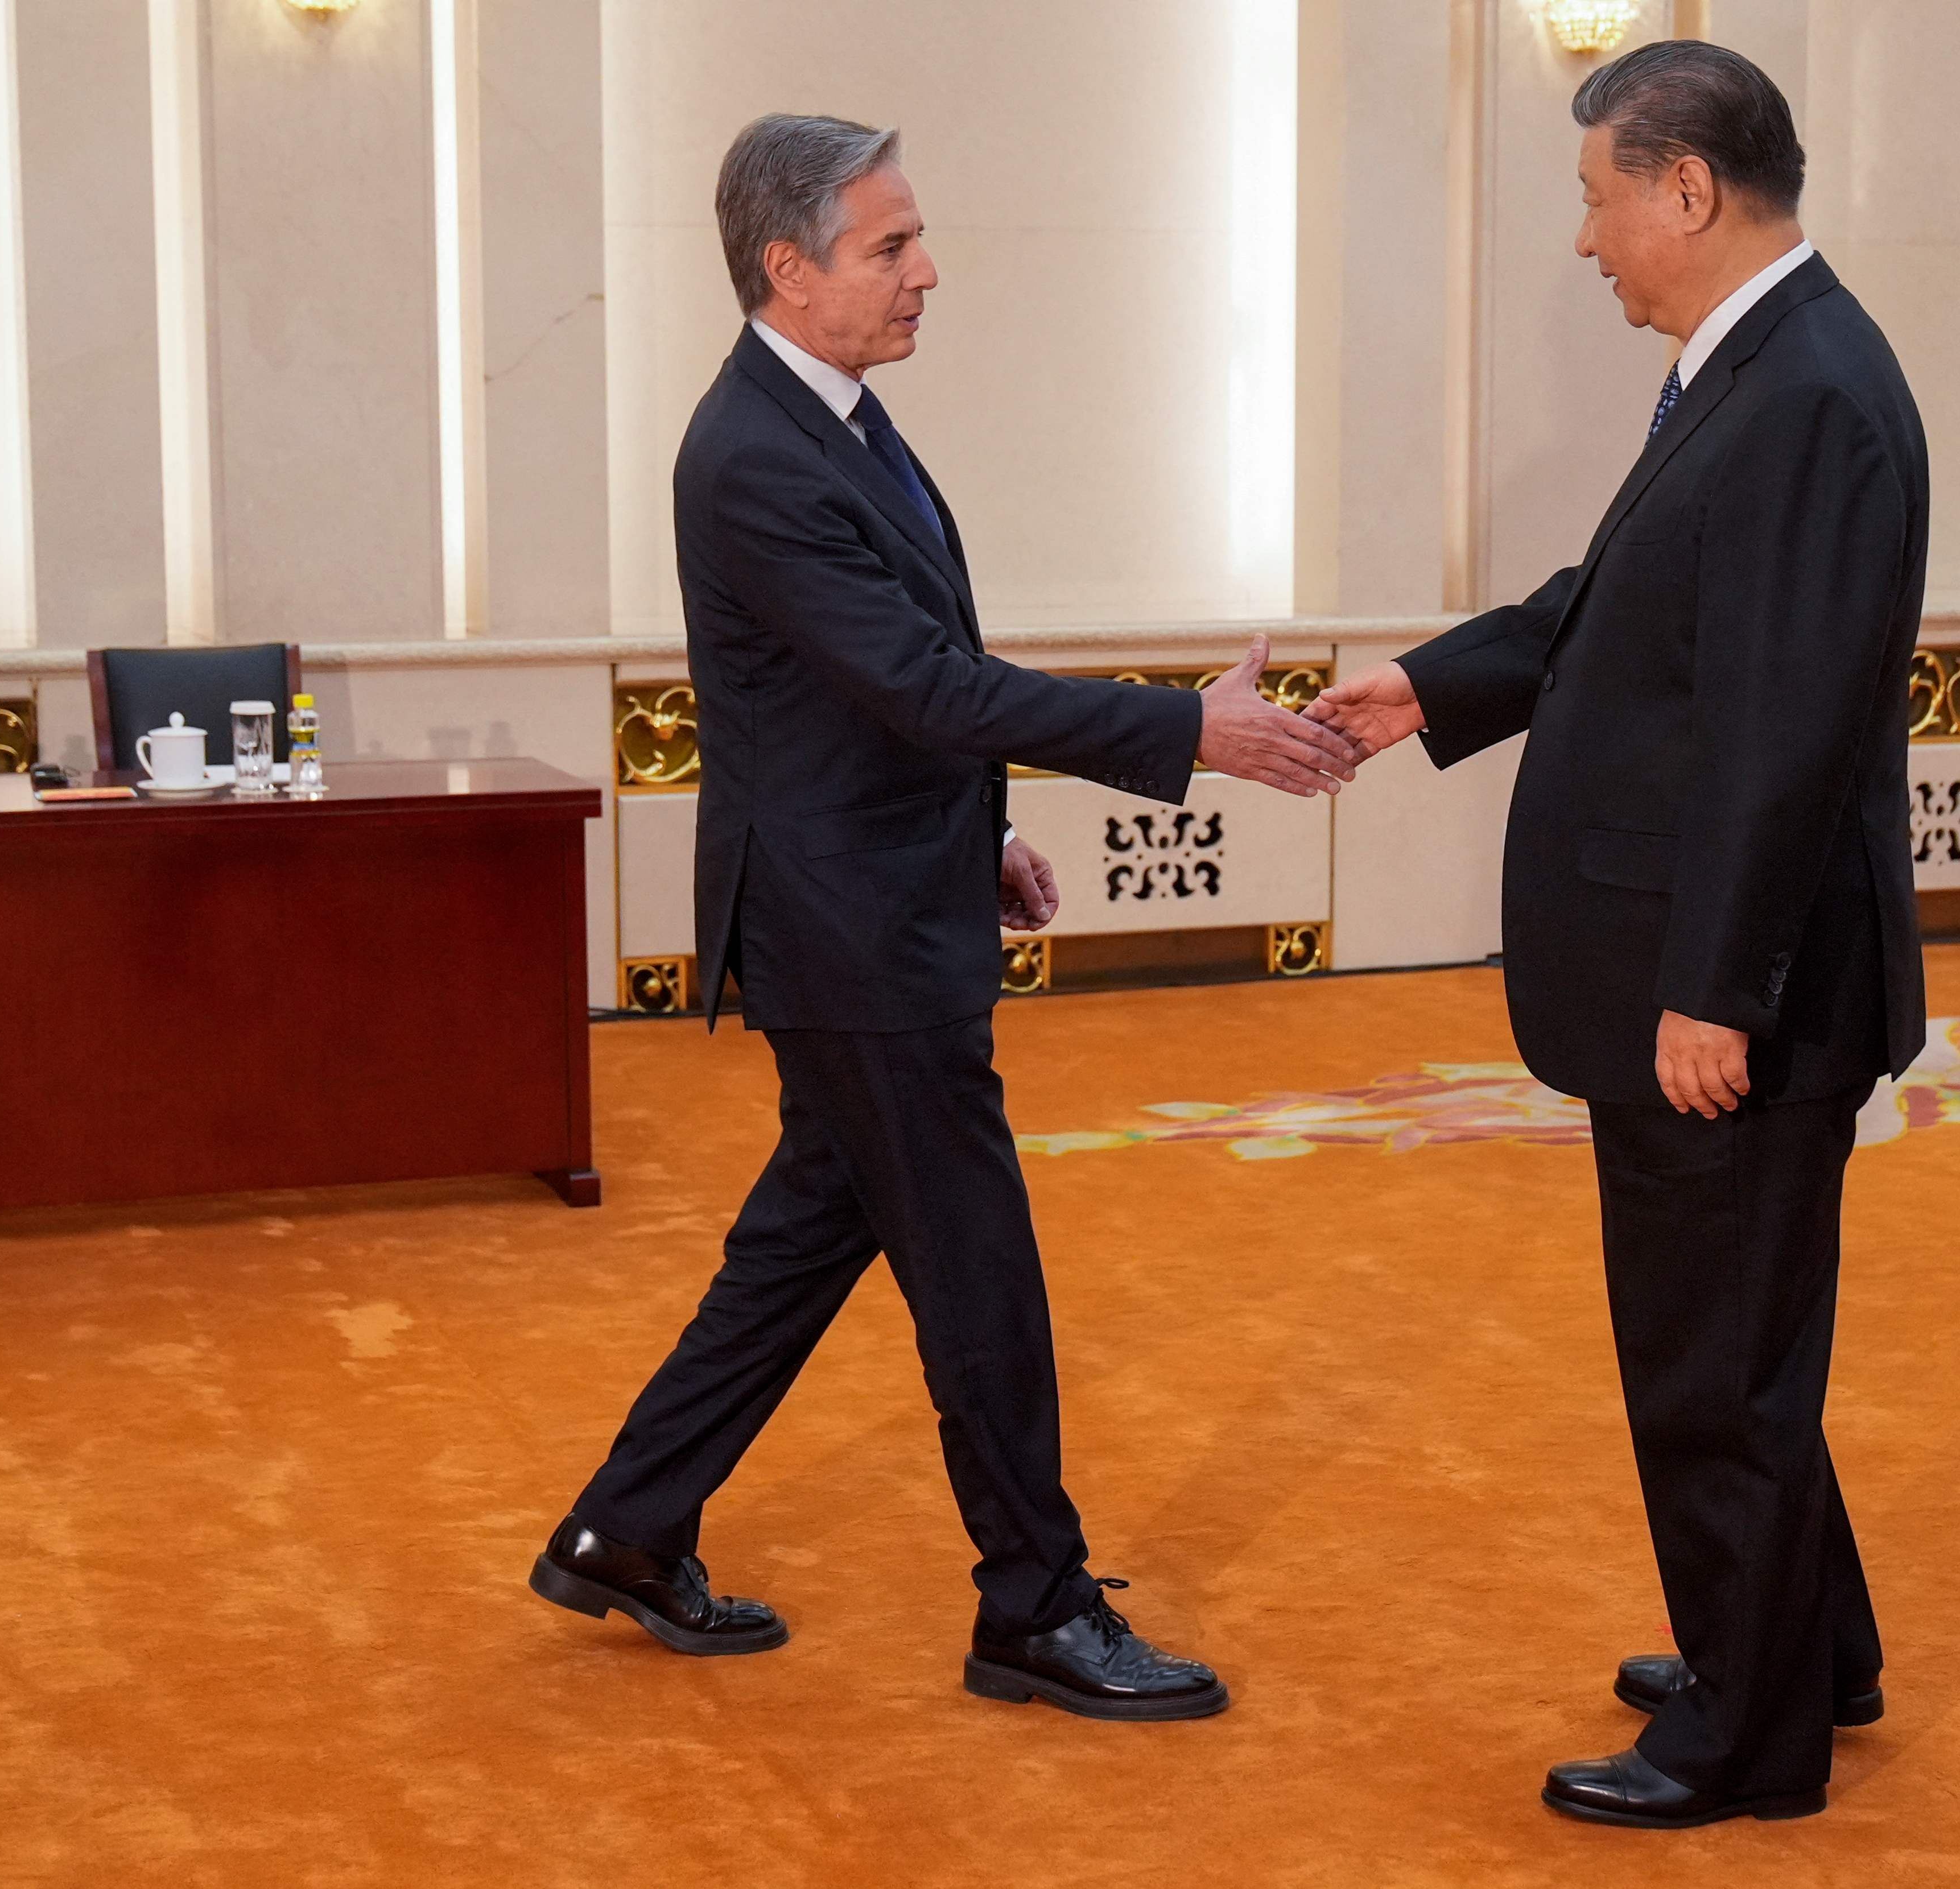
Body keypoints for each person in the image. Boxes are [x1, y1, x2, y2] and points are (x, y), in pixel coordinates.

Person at [530, 113, 1362, 1723]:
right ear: (788, 267)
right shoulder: (755, 451)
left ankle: (624, 1527)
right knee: (977, 1268)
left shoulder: (831, 420)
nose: (927, 271)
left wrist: (973, 837)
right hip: (851, 937)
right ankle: (1032, 1608)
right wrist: (1188, 730)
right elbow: (918, 679)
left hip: (877, 894)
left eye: (916, 238)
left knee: (799, 1243)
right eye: (889, 246)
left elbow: (867, 696)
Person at [1306, 42, 1928, 1825]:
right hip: (1708, 965)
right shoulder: (1755, 371)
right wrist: (1431, 688)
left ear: (1686, 190)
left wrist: (1712, 989)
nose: (1583, 240)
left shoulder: (1804, 390)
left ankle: (1747, 1732)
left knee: (1709, 1356)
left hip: (1729, 992)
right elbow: (1622, 608)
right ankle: (1808, 1642)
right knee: (1741, 1339)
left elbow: (1783, 725)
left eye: (1594, 198)